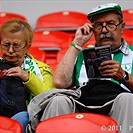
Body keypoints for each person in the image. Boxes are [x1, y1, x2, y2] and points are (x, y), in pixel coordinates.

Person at [27, 3, 133, 133]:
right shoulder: (81, 54)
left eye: (110, 24)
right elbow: (60, 83)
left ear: (122, 27)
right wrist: (77, 43)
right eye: (99, 25)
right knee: (58, 100)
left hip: (118, 106)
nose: (104, 30)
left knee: (128, 99)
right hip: (83, 106)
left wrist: (124, 76)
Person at [0, 18, 54, 133]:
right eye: (6, 45)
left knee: (22, 117)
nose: (10, 50)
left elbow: (51, 98)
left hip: (27, 121)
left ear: (27, 47)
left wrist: (27, 77)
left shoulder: (41, 69)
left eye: (16, 46)